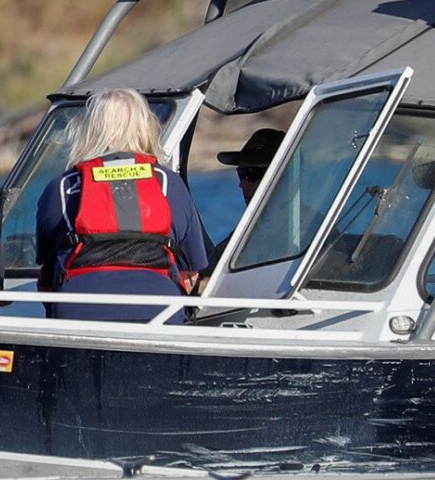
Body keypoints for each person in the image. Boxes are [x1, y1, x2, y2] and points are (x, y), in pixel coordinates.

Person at [34, 87, 208, 322]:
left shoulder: (62, 188)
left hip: (79, 311)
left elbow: (45, 272)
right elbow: (191, 273)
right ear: (147, 128)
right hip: (159, 311)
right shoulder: (169, 184)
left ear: (88, 131)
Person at [195, 128, 285, 293]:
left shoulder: (306, 232)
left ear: (283, 176)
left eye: (251, 175)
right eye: (241, 173)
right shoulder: (247, 233)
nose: (242, 184)